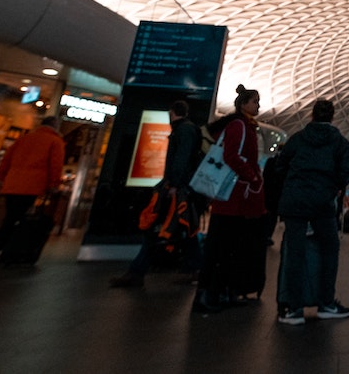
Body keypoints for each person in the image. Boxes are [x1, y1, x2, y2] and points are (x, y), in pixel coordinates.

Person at [275, 97, 349, 325]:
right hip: (322, 203)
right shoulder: (339, 142)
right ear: (332, 116)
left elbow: (280, 165)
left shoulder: (298, 139)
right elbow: (347, 168)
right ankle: (326, 303)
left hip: (295, 201)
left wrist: (293, 184)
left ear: (311, 115)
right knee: (330, 249)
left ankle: (293, 309)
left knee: (295, 252)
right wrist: (333, 187)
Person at [111, 99, 202, 287]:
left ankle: (137, 272)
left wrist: (174, 184)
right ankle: (193, 268)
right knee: (182, 227)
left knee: (161, 227)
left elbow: (181, 159)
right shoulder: (187, 129)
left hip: (177, 189)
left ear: (171, 112)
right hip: (181, 187)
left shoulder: (183, 130)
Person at [192, 88, 267, 313]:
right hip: (232, 198)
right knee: (220, 248)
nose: (258, 106)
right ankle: (209, 294)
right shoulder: (239, 126)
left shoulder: (244, 126)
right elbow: (231, 155)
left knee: (229, 248)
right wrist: (251, 176)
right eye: (255, 101)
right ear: (243, 103)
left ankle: (223, 291)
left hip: (235, 199)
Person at [0, 114, 65, 265]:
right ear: (55, 125)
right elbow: (55, 165)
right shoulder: (55, 141)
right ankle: (8, 252)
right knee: (20, 221)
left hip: (12, 184)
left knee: (10, 219)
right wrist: (54, 185)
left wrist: (0, 178)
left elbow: (6, 160)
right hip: (33, 186)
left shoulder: (24, 139)